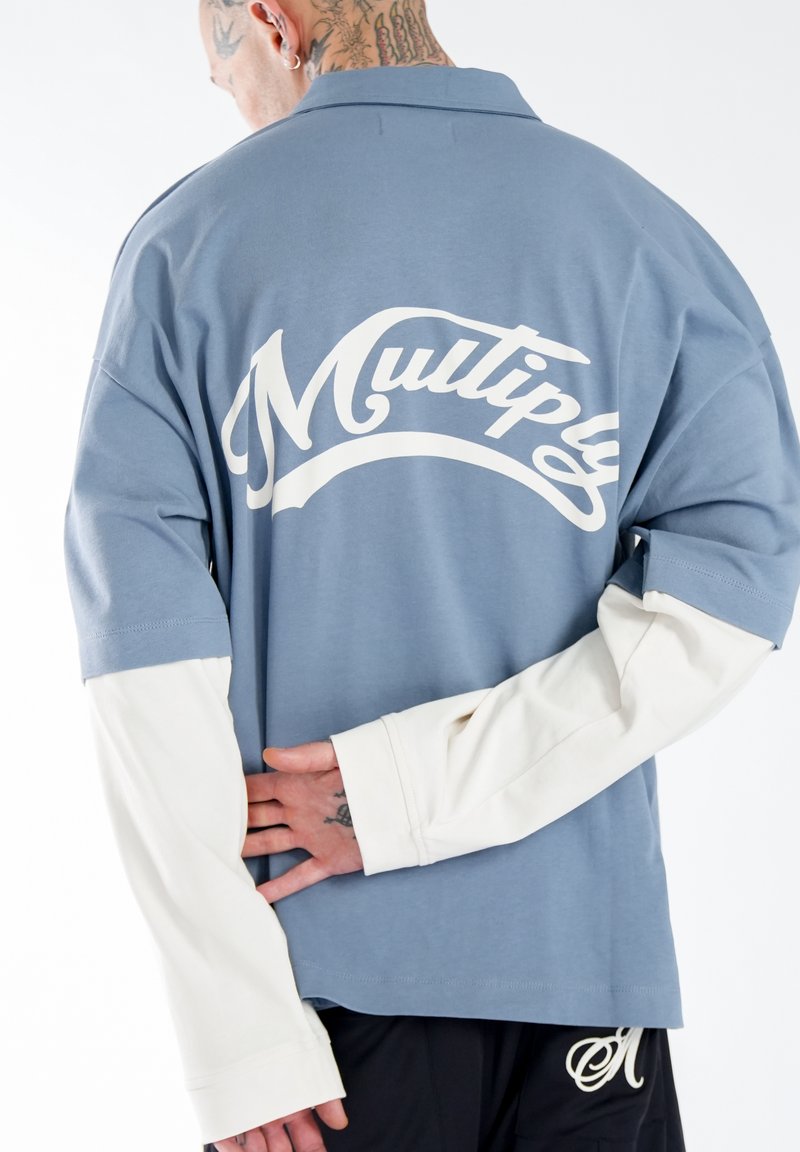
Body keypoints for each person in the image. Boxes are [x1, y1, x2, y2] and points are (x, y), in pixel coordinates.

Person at [62, 2, 800, 1150]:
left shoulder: (189, 243)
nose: (230, 100)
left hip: (318, 1006)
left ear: (269, 20)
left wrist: (238, 1033)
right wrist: (418, 788)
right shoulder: (646, 236)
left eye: (221, 63)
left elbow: (144, 665)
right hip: (581, 982)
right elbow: (729, 590)